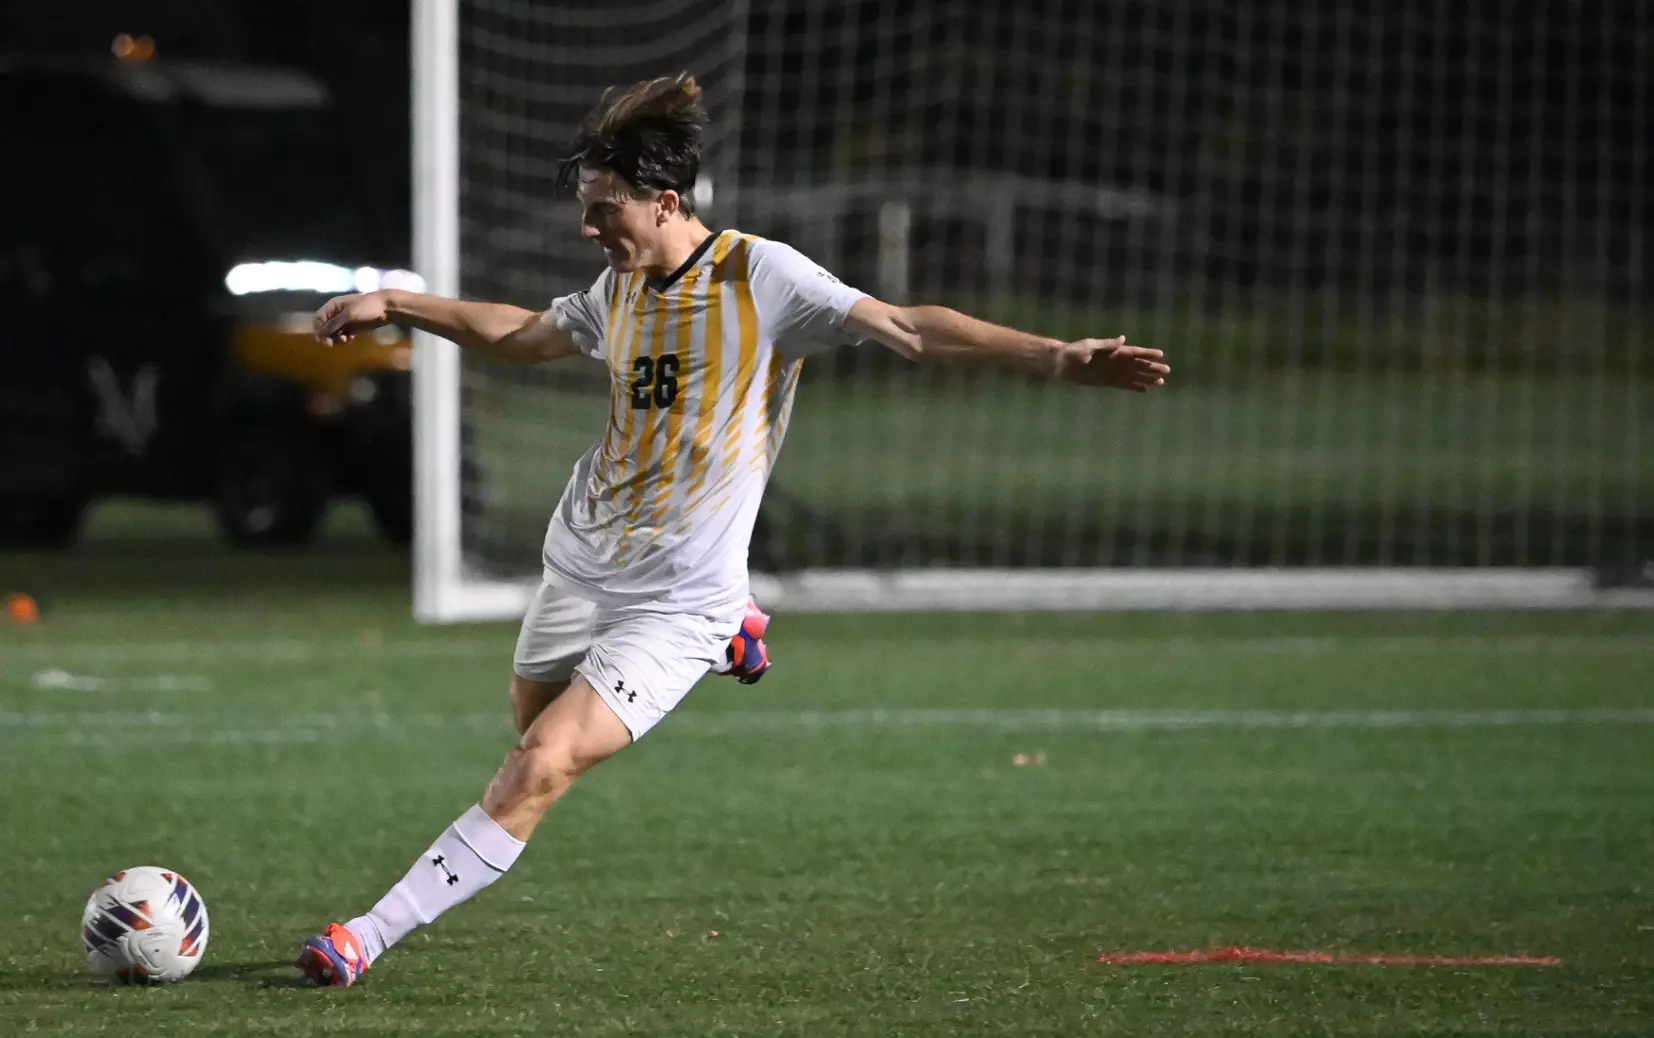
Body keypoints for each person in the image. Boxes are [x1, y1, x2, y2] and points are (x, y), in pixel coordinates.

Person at [295, 73, 1169, 986]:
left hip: (676, 602)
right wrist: (399, 304)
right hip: (580, 562)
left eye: (604, 212)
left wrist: (1057, 356)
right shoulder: (620, 285)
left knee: (536, 772)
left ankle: (364, 935)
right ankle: (741, 626)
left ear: (666, 201)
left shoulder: (763, 276)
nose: (588, 230)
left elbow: (909, 327)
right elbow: (522, 333)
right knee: (531, 730)